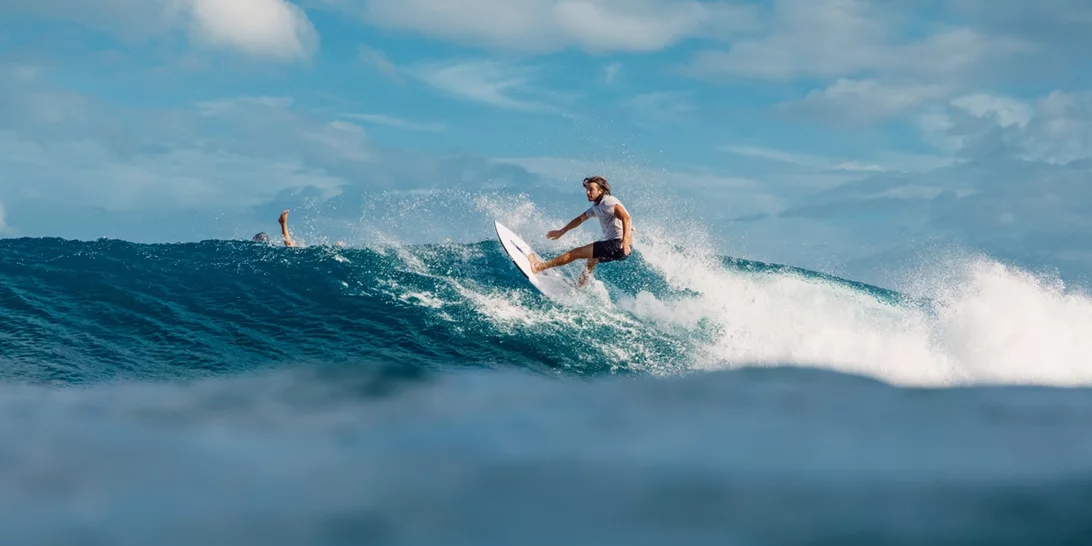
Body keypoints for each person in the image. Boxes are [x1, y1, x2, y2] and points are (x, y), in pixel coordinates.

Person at [529, 176, 633, 286]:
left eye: (591, 189)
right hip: (623, 251)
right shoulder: (597, 207)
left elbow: (626, 218)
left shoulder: (608, 202)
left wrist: (625, 240)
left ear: (600, 190)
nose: (588, 192)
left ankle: (538, 267)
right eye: (587, 189)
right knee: (592, 260)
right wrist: (561, 231)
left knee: (575, 253)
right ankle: (580, 287)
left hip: (619, 243)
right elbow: (580, 219)